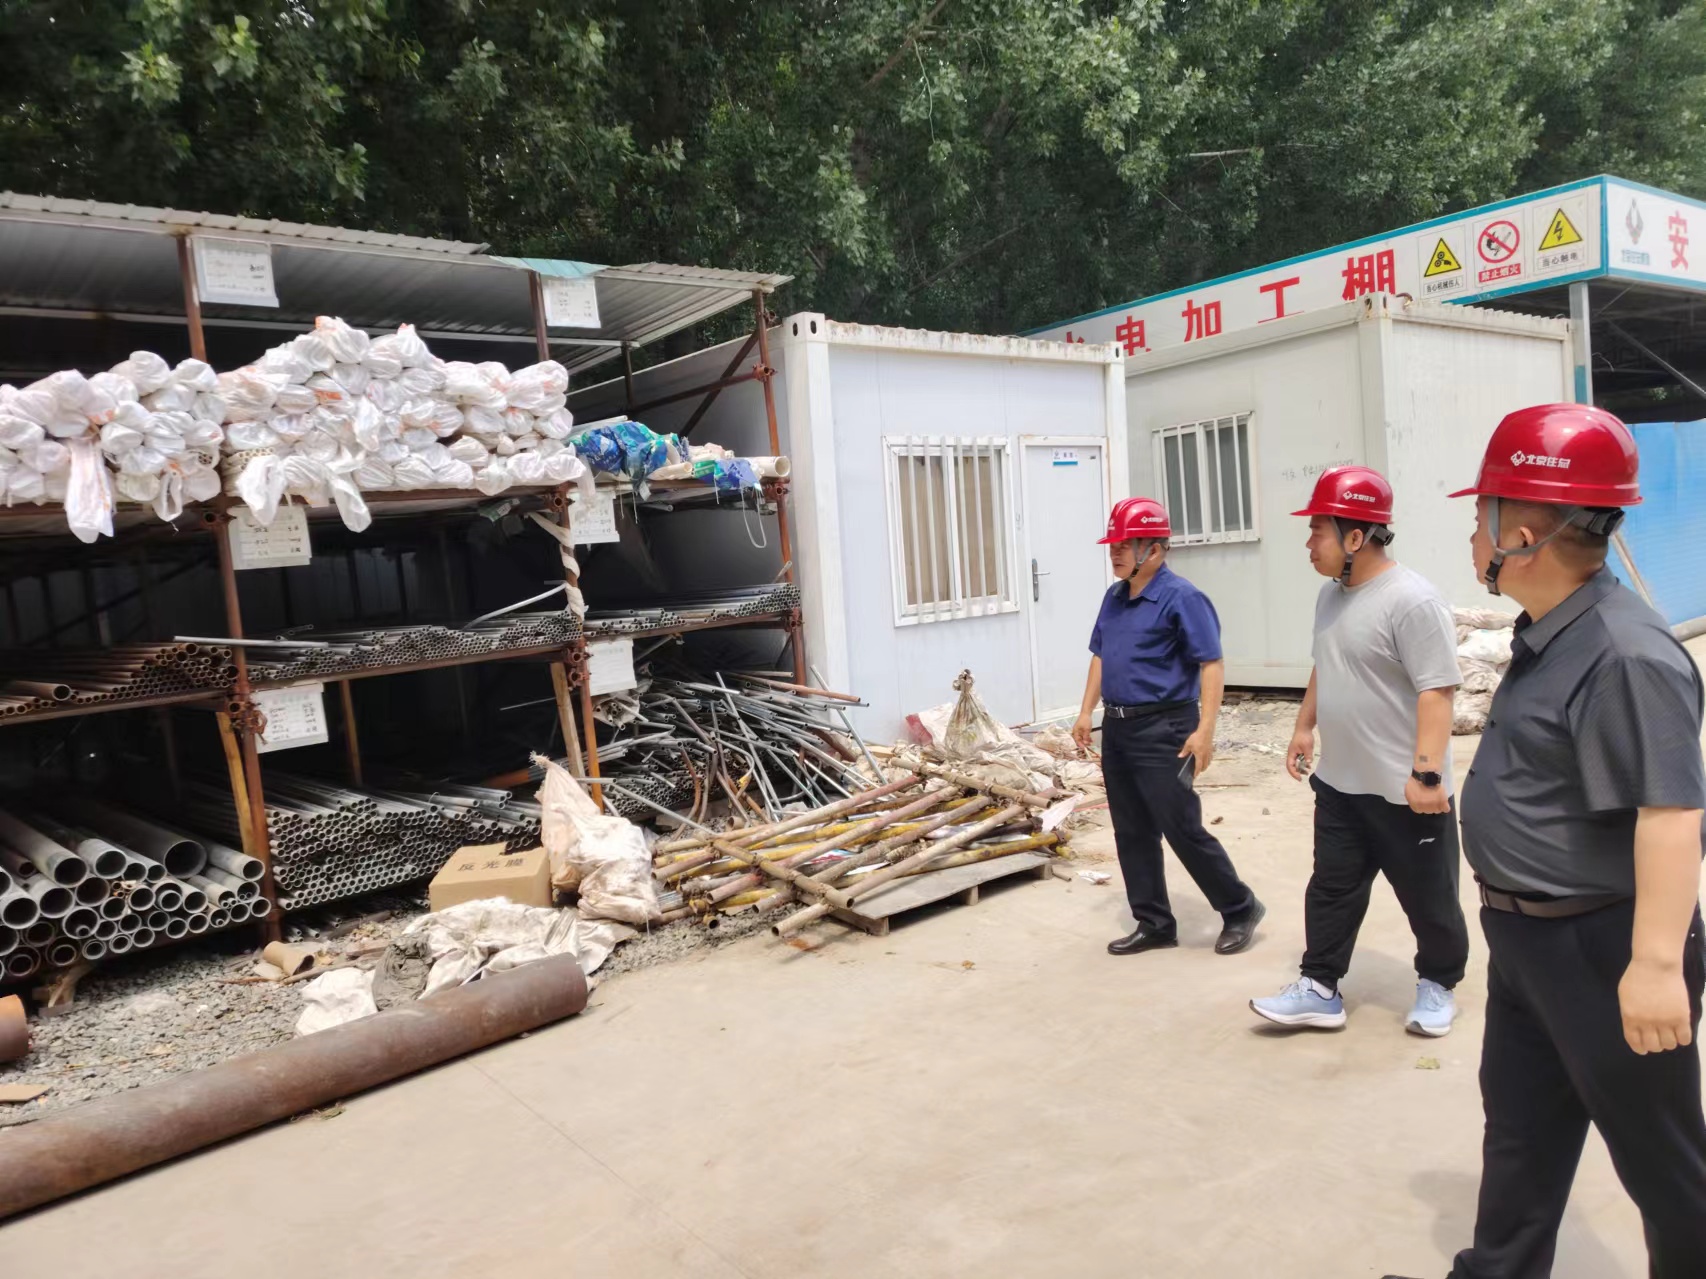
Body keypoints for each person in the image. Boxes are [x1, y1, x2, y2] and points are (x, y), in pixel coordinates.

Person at [1387, 405, 1706, 1279]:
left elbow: (1672, 812)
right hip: (1529, 939)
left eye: (1479, 515)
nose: (1471, 533)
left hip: (1604, 946)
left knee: (1664, 1164)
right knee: (1521, 1128)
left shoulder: (1623, 654)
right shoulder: (1552, 631)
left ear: (1520, 536)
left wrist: (1655, 965)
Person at [1250, 466, 1470, 1036]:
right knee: (1331, 888)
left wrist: (1427, 775)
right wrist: (1304, 725)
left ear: (1355, 537)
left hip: (1405, 790)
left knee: (1429, 897)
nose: (1308, 543)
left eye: (1316, 531)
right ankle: (1319, 987)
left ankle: (1438, 984)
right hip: (1341, 783)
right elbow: (1327, 663)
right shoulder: (1331, 595)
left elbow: (1437, 691)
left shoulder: (1412, 601)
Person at [1071, 496, 1264, 957]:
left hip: (1166, 728)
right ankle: (1154, 922)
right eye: (1113, 544)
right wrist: (1085, 712)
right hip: (1118, 728)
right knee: (1131, 829)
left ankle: (1240, 907)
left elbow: (1211, 663)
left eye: (1124, 544)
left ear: (1154, 550)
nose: (1114, 553)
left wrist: (1206, 730)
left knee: (1180, 826)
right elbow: (1101, 655)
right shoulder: (1115, 597)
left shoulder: (1183, 598)